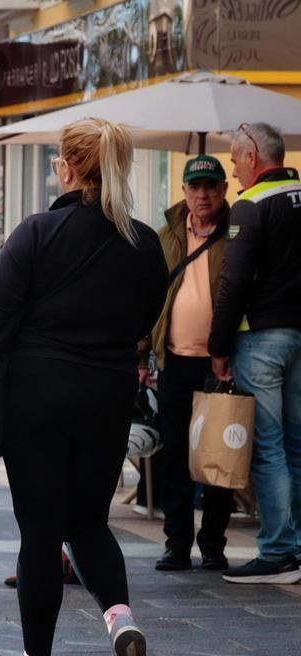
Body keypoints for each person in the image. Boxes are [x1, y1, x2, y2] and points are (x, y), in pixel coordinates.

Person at [0, 118, 169, 656]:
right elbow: (144, 318)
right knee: (88, 522)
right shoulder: (144, 242)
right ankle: (119, 621)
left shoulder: (39, 232)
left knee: (41, 532)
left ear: (69, 166)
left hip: (38, 394)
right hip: (108, 395)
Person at [210, 122, 301, 585]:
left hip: (262, 338)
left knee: (268, 448)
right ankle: (297, 544)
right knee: (297, 443)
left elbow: (234, 283)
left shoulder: (251, 205)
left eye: (234, 158)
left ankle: (279, 551)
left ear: (252, 158)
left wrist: (218, 346)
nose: (233, 166)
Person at [143, 154, 234, 572]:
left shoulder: (237, 232)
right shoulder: (166, 235)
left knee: (218, 457)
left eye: (210, 187)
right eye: (195, 187)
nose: (203, 194)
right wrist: (142, 351)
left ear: (223, 190)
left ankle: (213, 543)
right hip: (175, 360)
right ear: (183, 191)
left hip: (221, 365)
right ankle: (177, 543)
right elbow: (146, 298)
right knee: (175, 455)